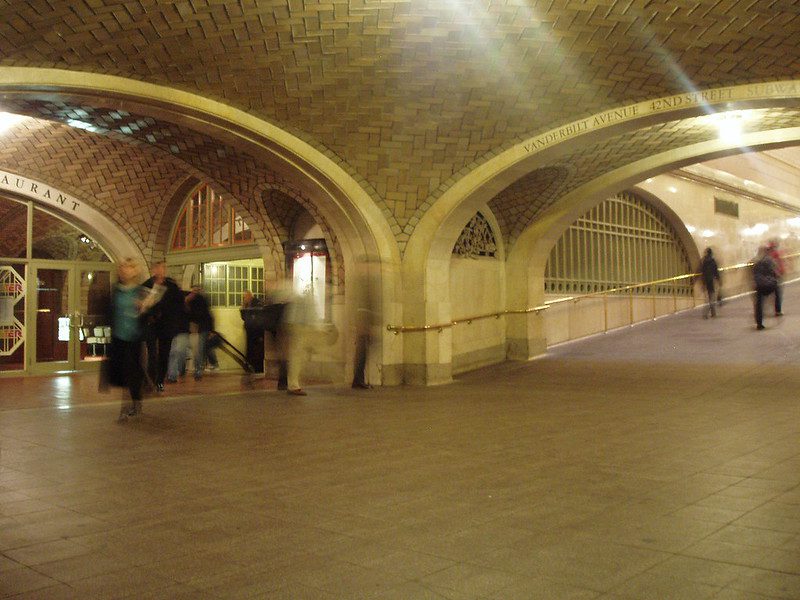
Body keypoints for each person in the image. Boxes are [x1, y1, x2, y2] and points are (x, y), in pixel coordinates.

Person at [103, 259, 147, 421]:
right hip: (119, 337)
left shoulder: (140, 291)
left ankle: (133, 402)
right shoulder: (116, 290)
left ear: (134, 271)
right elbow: (109, 311)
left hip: (134, 338)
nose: (124, 271)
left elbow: (149, 315)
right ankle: (129, 404)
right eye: (122, 268)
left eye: (128, 268)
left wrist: (143, 309)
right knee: (122, 373)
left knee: (132, 372)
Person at [186, 284, 214, 380]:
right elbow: (208, 314)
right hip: (200, 327)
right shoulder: (201, 299)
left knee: (199, 350)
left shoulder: (198, 299)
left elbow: (205, 314)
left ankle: (198, 371)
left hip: (200, 327)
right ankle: (198, 370)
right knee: (198, 350)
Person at [752, 246, 779, 330]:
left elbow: (753, 274)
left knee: (759, 304)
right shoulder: (769, 260)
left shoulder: (755, 262)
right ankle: (777, 309)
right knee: (777, 294)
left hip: (759, 285)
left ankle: (759, 323)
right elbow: (774, 271)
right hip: (769, 284)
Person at [240, 290, 265, 373]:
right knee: (250, 348)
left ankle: (257, 368)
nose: (244, 298)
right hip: (250, 329)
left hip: (256, 331)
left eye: (245, 296)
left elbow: (258, 317)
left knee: (256, 350)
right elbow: (244, 317)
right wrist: (243, 307)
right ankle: (250, 366)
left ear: (250, 296)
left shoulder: (257, 303)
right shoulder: (247, 304)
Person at [698, 248, 721, 319]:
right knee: (711, 297)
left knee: (709, 297)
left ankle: (712, 313)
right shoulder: (712, 261)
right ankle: (709, 313)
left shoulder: (704, 261)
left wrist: (702, 282)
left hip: (706, 281)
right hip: (711, 281)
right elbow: (715, 272)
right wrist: (718, 279)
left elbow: (702, 272)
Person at [766, 239, 786, 316]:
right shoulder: (776, 254)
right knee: (777, 293)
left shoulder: (766, 255)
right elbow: (779, 264)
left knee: (769, 294)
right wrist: (780, 272)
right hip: (776, 276)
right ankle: (778, 310)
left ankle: (766, 309)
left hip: (769, 276)